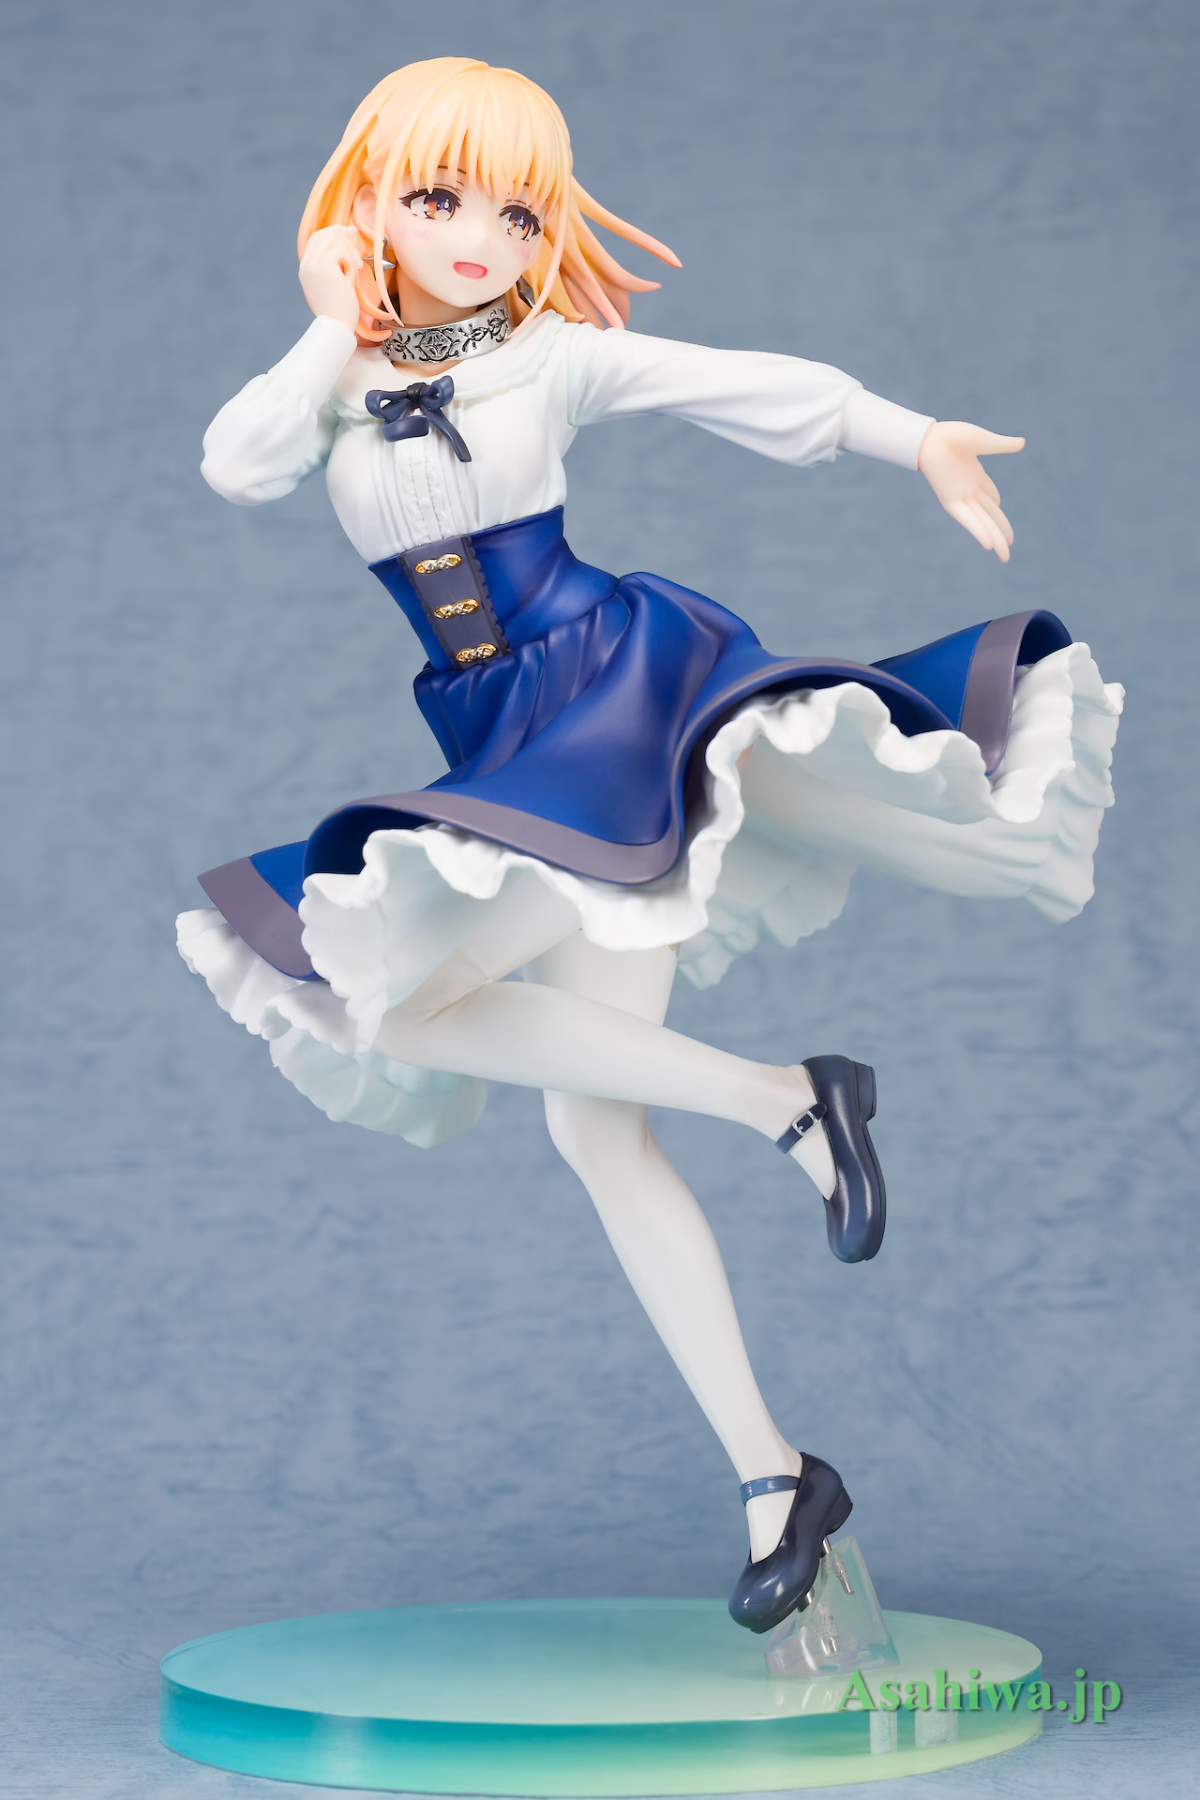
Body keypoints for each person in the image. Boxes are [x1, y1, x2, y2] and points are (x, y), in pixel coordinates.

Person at [178, 57, 1121, 1633]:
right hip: (497, 732)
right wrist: (332, 323)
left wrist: (915, 439)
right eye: (436, 196)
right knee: (596, 1133)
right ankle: (776, 1471)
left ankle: (787, 1103)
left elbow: (749, 387)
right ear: (365, 203)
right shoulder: (339, 374)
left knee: (400, 1005)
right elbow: (238, 459)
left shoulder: (547, 357)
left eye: (514, 209)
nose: (477, 235)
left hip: (614, 699)